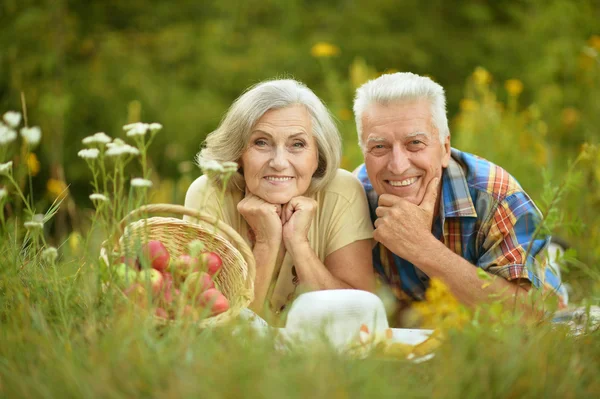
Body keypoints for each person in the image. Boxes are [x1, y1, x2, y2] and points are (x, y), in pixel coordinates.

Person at [352, 72, 566, 317]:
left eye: (415, 143)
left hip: (504, 294)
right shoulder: (351, 198)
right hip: (425, 311)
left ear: (445, 148)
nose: (398, 166)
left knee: (550, 288)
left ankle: (552, 256)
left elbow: (531, 315)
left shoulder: (497, 195)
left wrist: (421, 246)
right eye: (379, 147)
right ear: (364, 152)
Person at [184, 79, 375, 319]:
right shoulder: (209, 193)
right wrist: (265, 243)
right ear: (238, 153)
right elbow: (213, 324)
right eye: (261, 142)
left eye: (297, 144)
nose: (279, 162)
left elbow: (359, 318)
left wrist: (299, 244)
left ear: (318, 155)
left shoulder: (342, 191)